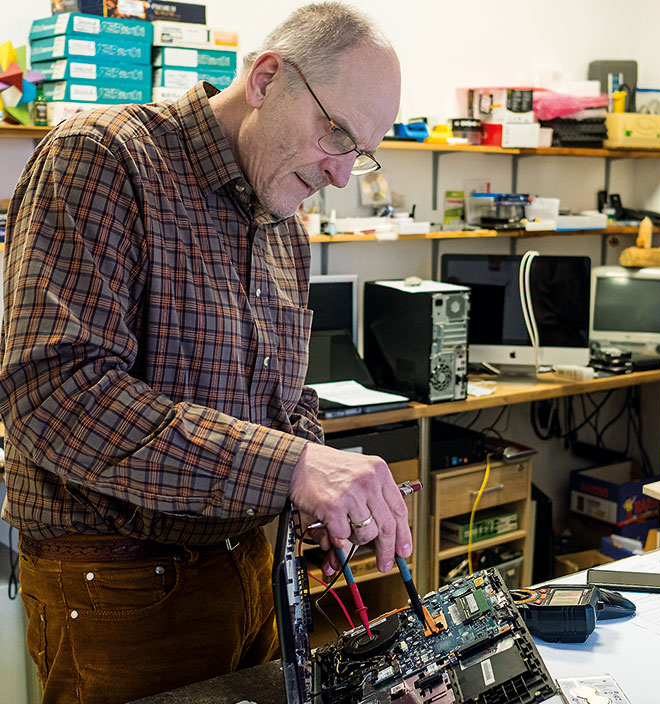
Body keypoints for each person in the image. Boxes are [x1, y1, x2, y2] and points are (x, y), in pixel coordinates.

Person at [0, 3, 411, 702]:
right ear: (267, 78)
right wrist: (292, 465)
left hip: (255, 576)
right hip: (124, 589)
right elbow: (55, 394)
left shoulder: (284, 221)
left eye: (360, 151)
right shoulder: (104, 157)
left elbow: (283, 399)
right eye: (335, 133)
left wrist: (328, 487)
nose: (342, 175)